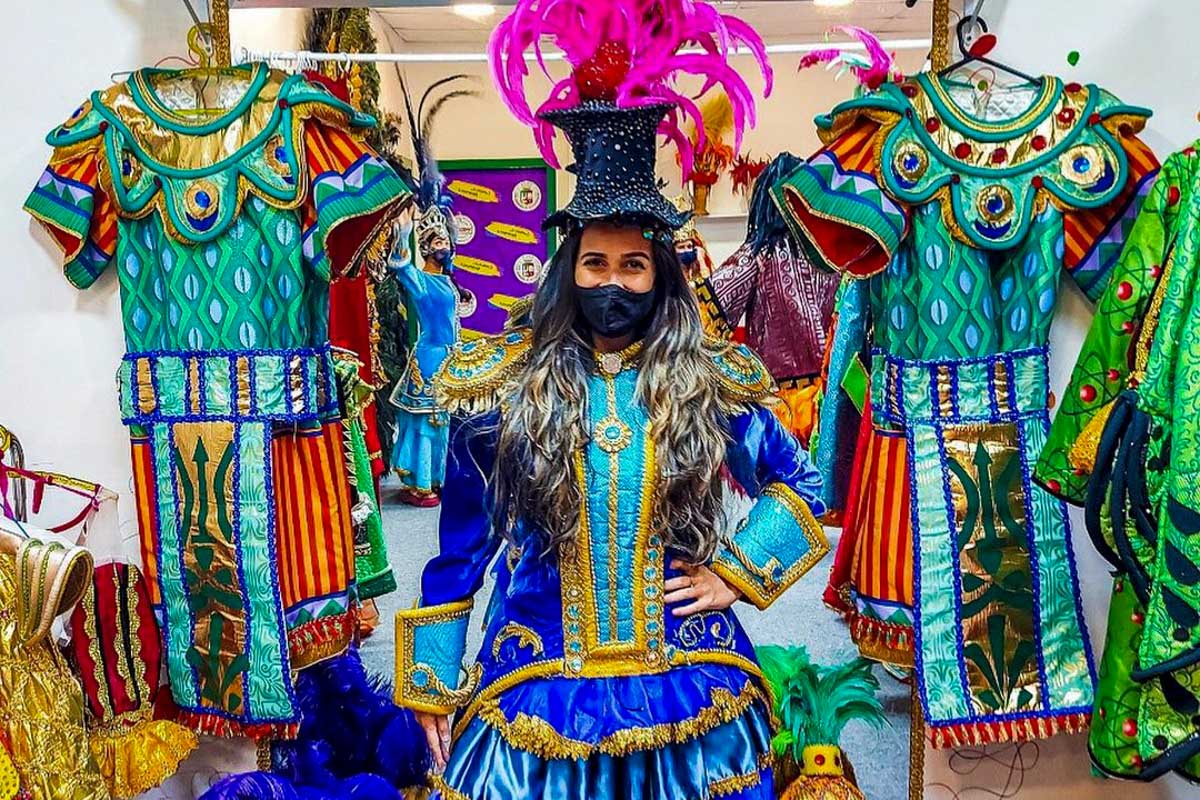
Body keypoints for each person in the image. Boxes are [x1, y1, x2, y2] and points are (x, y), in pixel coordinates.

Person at [393, 2, 828, 798]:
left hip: (686, 662)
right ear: (569, 269)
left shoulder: (707, 381)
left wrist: (735, 575)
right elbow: (461, 548)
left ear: (660, 275)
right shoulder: (503, 390)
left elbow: (801, 483)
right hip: (539, 668)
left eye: (634, 265)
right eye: (596, 262)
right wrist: (431, 680)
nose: (613, 282)